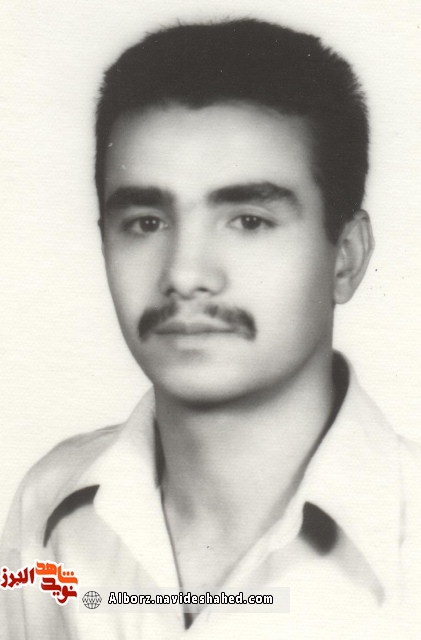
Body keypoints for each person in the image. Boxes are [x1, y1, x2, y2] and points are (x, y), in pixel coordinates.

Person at [1, 18, 420, 639]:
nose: (184, 274)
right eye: (146, 222)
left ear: (346, 257)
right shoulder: (50, 507)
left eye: (248, 220)